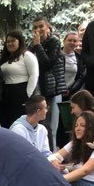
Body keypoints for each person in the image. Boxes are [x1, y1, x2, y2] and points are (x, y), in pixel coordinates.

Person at [28, 17, 65, 149]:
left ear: (47, 27)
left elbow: (48, 64)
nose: (38, 30)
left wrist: (38, 45)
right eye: (35, 27)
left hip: (51, 89)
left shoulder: (54, 41)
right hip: (37, 89)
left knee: (49, 125)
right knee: (40, 123)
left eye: (41, 26)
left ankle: (51, 153)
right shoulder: (32, 45)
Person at [0, 30, 39, 129]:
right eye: (8, 42)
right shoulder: (5, 58)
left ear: (20, 41)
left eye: (13, 41)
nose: (10, 44)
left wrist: (27, 94)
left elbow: (34, 75)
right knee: (6, 123)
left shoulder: (27, 55)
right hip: (6, 94)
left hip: (20, 93)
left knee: (19, 124)